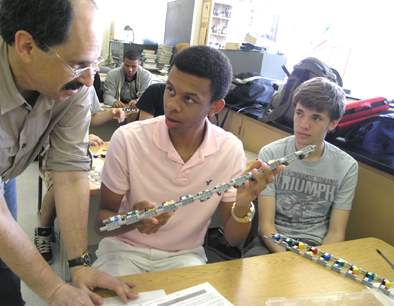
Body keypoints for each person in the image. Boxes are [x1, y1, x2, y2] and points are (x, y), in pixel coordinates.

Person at [0, 0, 139, 305]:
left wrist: (80, 265)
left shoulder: (76, 83)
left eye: (93, 63)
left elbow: (71, 171)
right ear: (27, 47)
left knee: (1, 264)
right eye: (78, 64)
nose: (89, 79)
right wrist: (55, 289)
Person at [92, 45, 285, 277]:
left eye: (190, 99)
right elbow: (100, 224)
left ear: (215, 106)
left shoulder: (229, 149)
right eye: (171, 90)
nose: (173, 105)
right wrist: (132, 220)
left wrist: (243, 204)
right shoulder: (128, 138)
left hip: (184, 257)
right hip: (123, 251)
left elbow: (234, 240)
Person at [243, 77, 359, 257]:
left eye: (316, 118)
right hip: (271, 242)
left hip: (316, 247)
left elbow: (336, 233)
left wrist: (317, 259)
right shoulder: (271, 154)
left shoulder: (346, 166)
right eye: (299, 113)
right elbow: (266, 226)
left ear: (333, 123)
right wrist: (287, 259)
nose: (304, 125)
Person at [35, 86, 125, 263]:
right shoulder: (52, 87)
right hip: (55, 150)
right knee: (60, 185)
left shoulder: (87, 85)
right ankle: (44, 231)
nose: (94, 72)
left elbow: (91, 117)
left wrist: (110, 114)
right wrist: (81, 138)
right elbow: (40, 133)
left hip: (81, 148)